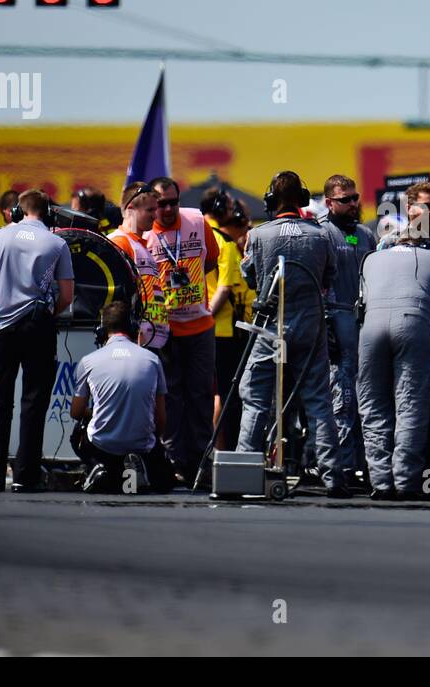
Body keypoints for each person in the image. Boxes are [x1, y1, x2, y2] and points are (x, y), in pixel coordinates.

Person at [236, 171, 348, 497]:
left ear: (270, 201)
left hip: (271, 327)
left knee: (254, 397)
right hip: (310, 326)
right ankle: (333, 477)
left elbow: (251, 279)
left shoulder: (258, 236)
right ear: (301, 199)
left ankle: (243, 469)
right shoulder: (321, 235)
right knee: (318, 401)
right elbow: (329, 277)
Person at [0, 189, 74, 492]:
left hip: (2, 327)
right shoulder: (57, 242)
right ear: (49, 214)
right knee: (34, 401)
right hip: (38, 324)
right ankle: (26, 475)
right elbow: (67, 295)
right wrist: (48, 312)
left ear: (16, 212)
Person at [356, 237, 430, 500]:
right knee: (411, 404)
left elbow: (359, 306)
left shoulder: (370, 258)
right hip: (414, 325)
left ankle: (381, 481)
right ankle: (406, 480)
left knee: (372, 405)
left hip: (370, 329)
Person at [145, 176, 220, 485]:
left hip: (200, 325)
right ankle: (175, 462)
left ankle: (202, 462)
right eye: (161, 204)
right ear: (151, 205)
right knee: (170, 398)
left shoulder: (196, 220)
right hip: (165, 329)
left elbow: (211, 261)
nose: (168, 209)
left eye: (173, 201)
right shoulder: (146, 233)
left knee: (201, 395)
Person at [70, 301, 173, 495]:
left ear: (101, 331)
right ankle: (136, 470)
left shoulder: (89, 361)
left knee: (78, 435)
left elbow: (75, 412)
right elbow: (161, 418)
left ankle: (97, 468)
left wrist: (96, 412)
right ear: (134, 328)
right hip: (142, 444)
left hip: (103, 444)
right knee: (164, 479)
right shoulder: (152, 360)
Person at [317, 174, 377, 481]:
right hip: (336, 322)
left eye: (355, 197)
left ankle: (361, 464)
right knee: (340, 397)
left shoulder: (366, 235)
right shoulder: (321, 233)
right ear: (329, 203)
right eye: (345, 199)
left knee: (365, 397)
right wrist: (326, 326)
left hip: (365, 323)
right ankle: (335, 466)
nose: (354, 203)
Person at [200, 188, 254, 451]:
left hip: (191, 327)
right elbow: (225, 288)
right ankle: (220, 452)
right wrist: (207, 316)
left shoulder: (191, 233)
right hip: (221, 330)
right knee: (223, 393)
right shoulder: (224, 242)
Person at [108, 183, 169, 353]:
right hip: (135, 341)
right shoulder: (120, 242)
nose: (155, 216)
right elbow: (118, 297)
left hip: (151, 339)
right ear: (131, 209)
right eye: (150, 210)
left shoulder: (140, 244)